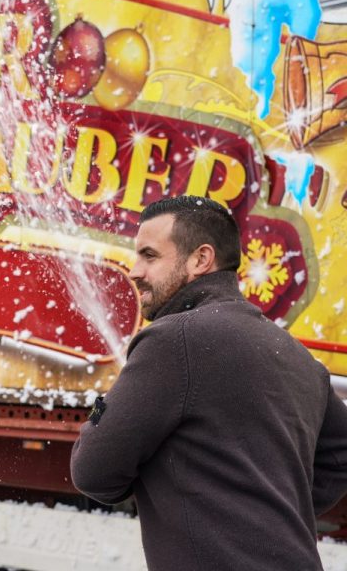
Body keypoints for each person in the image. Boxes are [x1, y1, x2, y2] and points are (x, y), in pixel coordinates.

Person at [70, 195, 347, 571]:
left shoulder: (174, 339)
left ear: (201, 259)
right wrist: (272, 509)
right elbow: (341, 455)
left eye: (149, 256)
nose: (135, 271)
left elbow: (93, 471)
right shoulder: (298, 356)